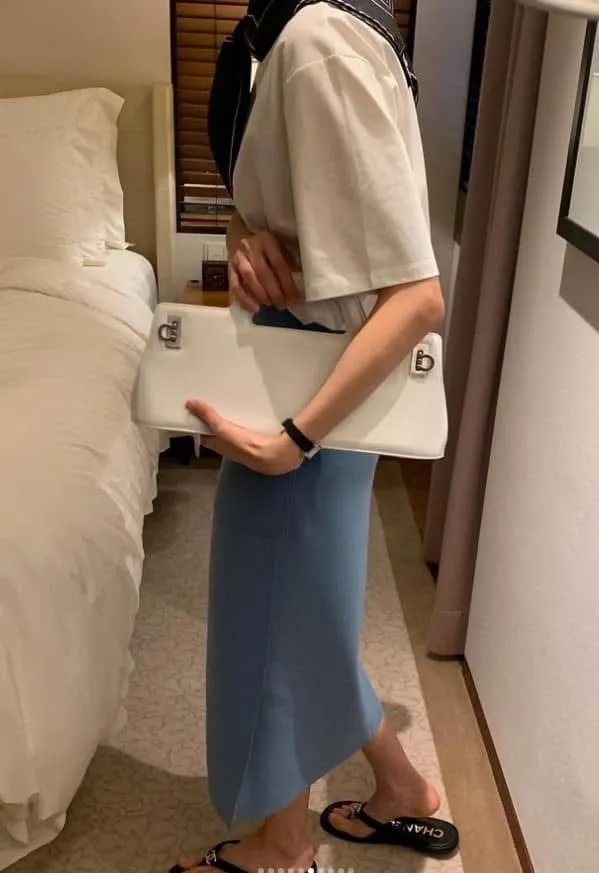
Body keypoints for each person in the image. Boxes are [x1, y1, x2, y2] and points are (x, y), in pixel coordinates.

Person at [171, 2, 459, 872]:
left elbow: (416, 297)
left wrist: (292, 439)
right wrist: (245, 239)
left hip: (311, 396)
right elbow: (298, 219)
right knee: (303, 615)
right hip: (317, 377)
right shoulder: (321, 28)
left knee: (269, 623)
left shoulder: (316, 41)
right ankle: (400, 788)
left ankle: (279, 846)